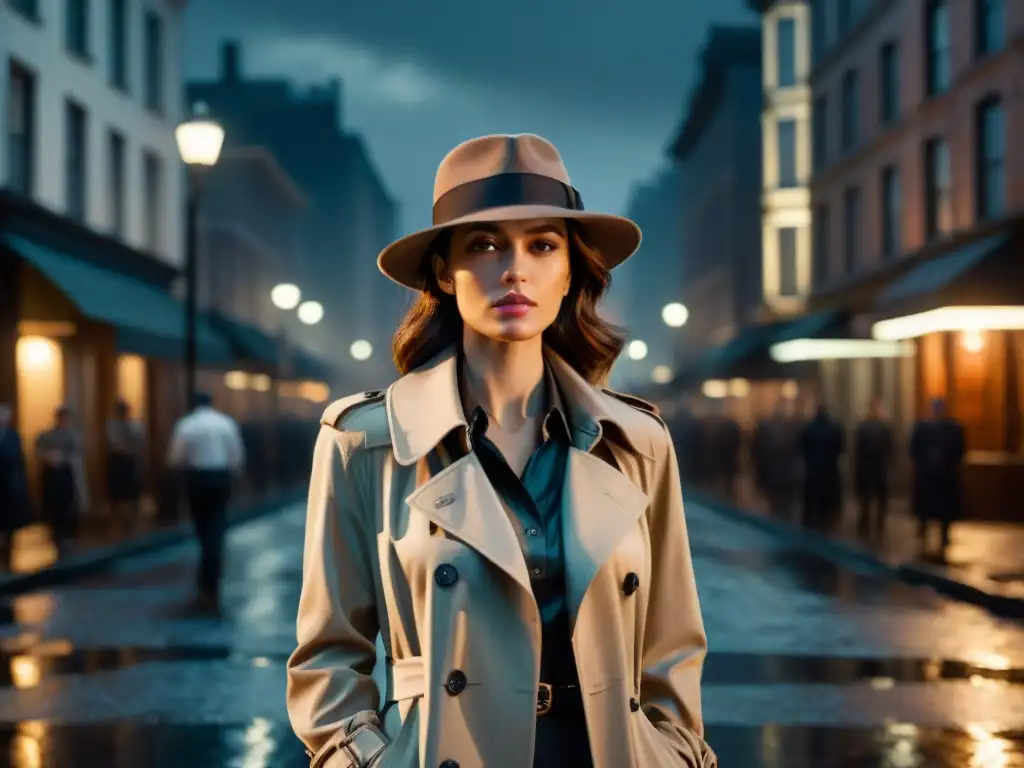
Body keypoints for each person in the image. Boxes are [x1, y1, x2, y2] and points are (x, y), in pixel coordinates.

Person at [287, 134, 716, 768]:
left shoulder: (638, 442)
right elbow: (328, 655)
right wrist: (370, 761)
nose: (514, 269)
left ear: (571, 270)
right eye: (484, 245)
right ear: (443, 270)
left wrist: (671, 752)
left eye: (542, 245)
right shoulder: (366, 441)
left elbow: (672, 648)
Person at [166, 392, 245, 611]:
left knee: (202, 525)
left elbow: (175, 458)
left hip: (197, 478)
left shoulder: (186, 425)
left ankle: (206, 573)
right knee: (217, 523)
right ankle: (213, 570)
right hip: (220, 477)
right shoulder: (225, 423)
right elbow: (236, 457)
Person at [909, 398, 965, 556]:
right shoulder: (923, 428)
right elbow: (914, 450)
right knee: (927, 508)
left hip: (943, 476)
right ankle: (924, 530)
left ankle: (943, 534)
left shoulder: (952, 428)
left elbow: (959, 451)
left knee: (943, 510)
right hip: (929, 476)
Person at [36, 406, 87, 556]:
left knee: (69, 507)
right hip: (52, 476)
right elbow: (39, 451)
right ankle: (57, 535)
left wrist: (64, 458)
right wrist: (49, 457)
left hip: (68, 474)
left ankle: (69, 537)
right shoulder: (47, 435)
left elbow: (78, 452)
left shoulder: (73, 435)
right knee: (54, 507)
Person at [853, 398, 893, 542]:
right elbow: (890, 449)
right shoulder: (883, 428)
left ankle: (865, 522)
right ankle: (878, 523)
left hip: (866, 467)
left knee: (866, 498)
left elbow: (857, 450)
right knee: (879, 497)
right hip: (878, 467)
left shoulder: (863, 427)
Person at [799, 403, 844, 532]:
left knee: (810, 506)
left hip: (812, 471)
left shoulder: (809, 428)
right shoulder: (834, 428)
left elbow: (802, 448)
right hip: (829, 472)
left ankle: (809, 533)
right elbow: (840, 449)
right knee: (826, 508)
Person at [105, 399, 146, 533]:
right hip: (118, 460)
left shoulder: (134, 424)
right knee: (117, 492)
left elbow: (140, 439)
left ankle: (132, 520)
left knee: (132, 490)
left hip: (131, 460)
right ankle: (117, 520)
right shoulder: (112, 425)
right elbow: (114, 442)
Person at [0, 403, 32, 565]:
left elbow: (19, 460)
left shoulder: (13, 436)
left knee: (9, 519)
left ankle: (8, 548)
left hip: (9, 483)